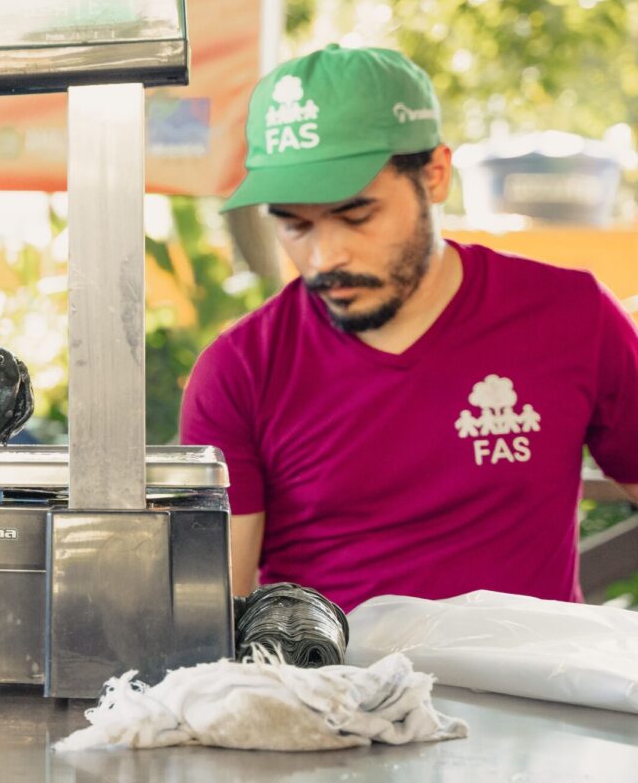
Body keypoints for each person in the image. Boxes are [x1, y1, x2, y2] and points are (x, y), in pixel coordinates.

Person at [180, 44, 638, 611]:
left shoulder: (572, 316)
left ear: (435, 175)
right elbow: (217, 615)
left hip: (532, 670)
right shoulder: (239, 371)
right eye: (295, 225)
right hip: (331, 670)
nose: (325, 257)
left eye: (356, 215)